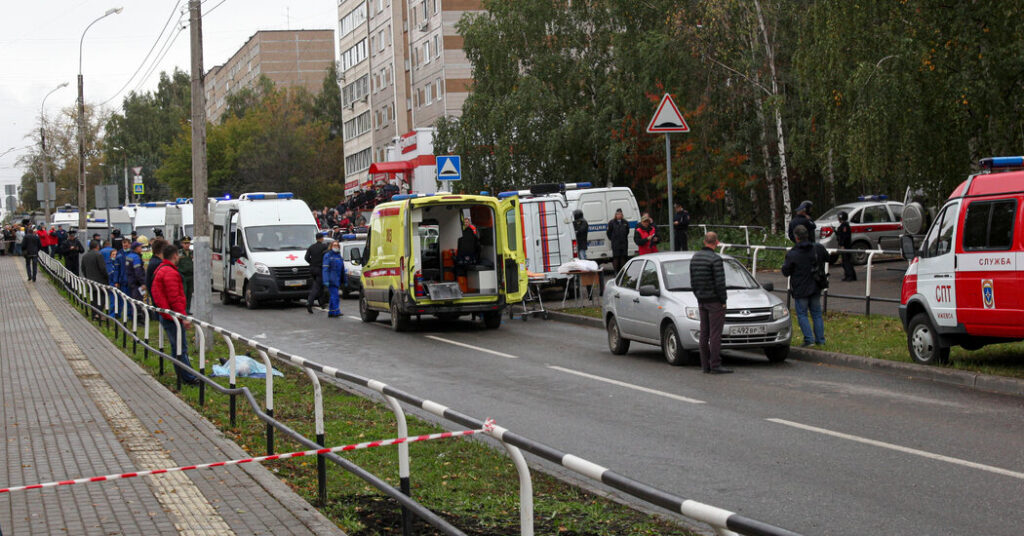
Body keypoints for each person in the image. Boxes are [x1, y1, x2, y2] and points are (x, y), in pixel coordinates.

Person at [151, 244, 198, 385]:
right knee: (180, 348)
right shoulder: (171, 273)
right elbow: (175, 298)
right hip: (172, 317)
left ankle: (182, 375)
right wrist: (183, 317)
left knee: (176, 347)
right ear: (175, 256)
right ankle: (189, 378)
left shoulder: (161, 269)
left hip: (166, 314)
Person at [690, 232, 732, 374]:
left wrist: (698, 296)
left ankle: (704, 364)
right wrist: (723, 300)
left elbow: (693, 281)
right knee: (715, 334)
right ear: (717, 242)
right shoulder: (715, 259)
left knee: (704, 332)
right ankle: (715, 363)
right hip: (714, 301)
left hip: (701, 299)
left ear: (704, 242)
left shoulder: (695, 258)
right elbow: (720, 283)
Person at [782, 225, 827, 347]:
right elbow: (827, 257)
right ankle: (821, 340)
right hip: (816, 285)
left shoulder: (793, 253)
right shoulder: (817, 248)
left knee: (802, 314)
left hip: (800, 287)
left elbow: (785, 271)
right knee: (817, 314)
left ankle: (809, 339)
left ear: (796, 238)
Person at [81, 240, 108, 319]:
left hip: (90, 281)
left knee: (93, 299)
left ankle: (94, 315)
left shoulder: (85, 256)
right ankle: (98, 313)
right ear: (97, 246)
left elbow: (83, 269)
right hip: (100, 281)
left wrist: (87, 277)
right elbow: (102, 268)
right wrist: (107, 277)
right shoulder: (98, 255)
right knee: (102, 297)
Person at [304, 232, 328, 313]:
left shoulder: (311, 247)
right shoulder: (324, 247)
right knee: (317, 286)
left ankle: (322, 303)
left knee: (319, 285)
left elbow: (306, 257)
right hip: (319, 269)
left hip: (312, 269)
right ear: (321, 238)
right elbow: (326, 256)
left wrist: (312, 262)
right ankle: (309, 302)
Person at [322, 240, 346, 318]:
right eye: (334, 245)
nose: (336, 247)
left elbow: (342, 270)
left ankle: (331, 312)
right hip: (331, 279)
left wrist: (345, 280)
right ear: (331, 246)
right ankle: (336, 311)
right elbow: (325, 269)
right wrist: (326, 280)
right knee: (335, 296)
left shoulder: (339, 257)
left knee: (333, 296)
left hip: (337, 279)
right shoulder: (328, 255)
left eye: (337, 245)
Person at [606, 208, 631, 273]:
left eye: (620, 214)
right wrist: (613, 239)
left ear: (622, 215)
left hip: (623, 243)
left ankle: (623, 272)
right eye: (618, 214)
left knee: (623, 257)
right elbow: (609, 233)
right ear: (615, 215)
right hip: (615, 243)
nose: (619, 215)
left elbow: (627, 231)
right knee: (616, 257)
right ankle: (616, 272)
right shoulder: (611, 222)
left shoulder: (625, 222)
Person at [835, 211, 856, 282]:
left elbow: (844, 236)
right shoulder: (843, 225)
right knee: (845, 261)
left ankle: (850, 276)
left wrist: (842, 245)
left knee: (846, 262)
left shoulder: (844, 226)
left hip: (846, 246)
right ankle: (849, 275)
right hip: (845, 246)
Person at [177, 237, 194, 312]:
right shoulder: (179, 253)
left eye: (188, 243)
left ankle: (188, 309)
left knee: (189, 293)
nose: (187, 245)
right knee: (184, 292)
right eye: (185, 243)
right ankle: (183, 309)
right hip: (183, 275)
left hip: (191, 275)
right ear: (182, 244)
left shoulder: (192, 252)